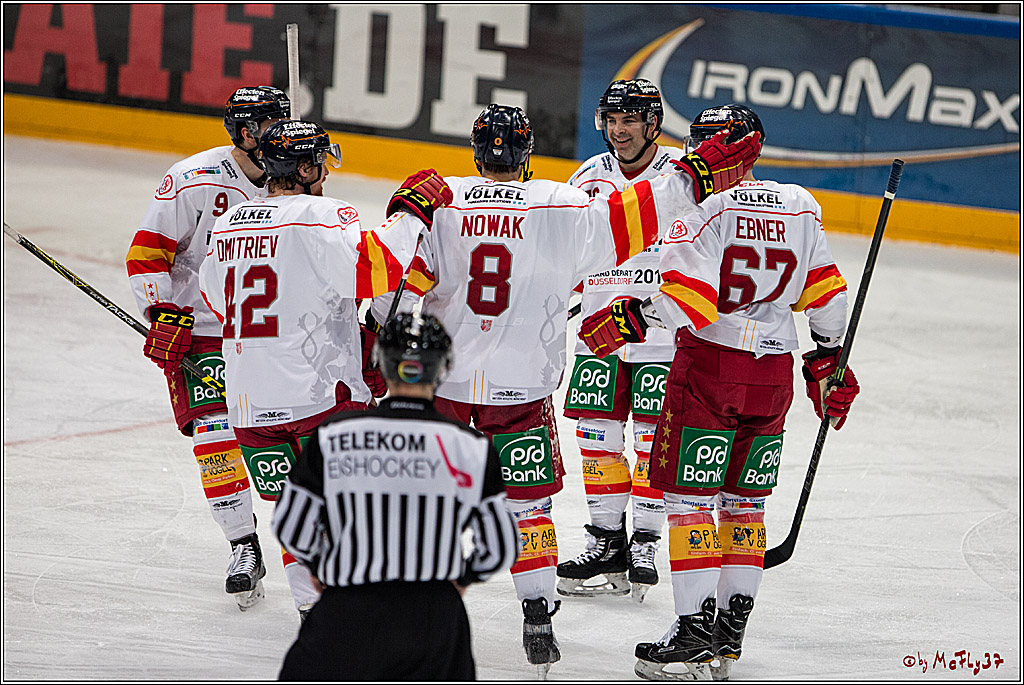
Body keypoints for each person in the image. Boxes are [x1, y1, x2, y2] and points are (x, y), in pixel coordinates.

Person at [370, 103, 761, 676]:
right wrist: (694, 174)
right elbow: (637, 218)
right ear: (527, 152)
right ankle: (537, 615)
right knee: (529, 511)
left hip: (445, 385)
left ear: (476, 151)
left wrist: (380, 346)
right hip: (522, 388)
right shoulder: (563, 203)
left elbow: (395, 286)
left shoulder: (441, 200)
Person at [576, 104, 860, 681]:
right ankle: (731, 630)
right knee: (746, 505)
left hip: (711, 366)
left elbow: (691, 299)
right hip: (773, 373)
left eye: (704, 143)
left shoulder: (703, 205)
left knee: (692, 503)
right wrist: (829, 360)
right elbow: (827, 294)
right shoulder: (802, 205)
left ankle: (692, 632)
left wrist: (634, 315)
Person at [196, 119, 447, 617]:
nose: (326, 174)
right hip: (318, 396)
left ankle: (314, 614)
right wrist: (410, 213)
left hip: (249, 404)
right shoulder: (323, 213)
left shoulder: (230, 221)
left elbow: (211, 295)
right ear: (304, 167)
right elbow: (380, 270)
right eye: (319, 164)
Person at [271, 313, 519, 680]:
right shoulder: (471, 447)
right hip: (434, 620)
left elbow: (291, 525)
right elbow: (499, 547)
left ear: (381, 364)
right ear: (442, 369)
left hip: (348, 609)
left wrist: (323, 568)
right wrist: (458, 581)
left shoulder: (333, 435)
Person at [126, 85, 290, 610]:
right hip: (204, 333)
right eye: (271, 124)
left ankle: (310, 544)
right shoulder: (194, 179)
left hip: (274, 335)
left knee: (283, 441)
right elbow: (147, 252)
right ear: (244, 132)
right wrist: (163, 311)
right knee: (215, 438)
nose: (282, 132)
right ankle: (243, 544)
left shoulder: (297, 179)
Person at [558, 79, 687, 604]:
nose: (619, 130)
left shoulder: (682, 176)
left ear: (653, 123)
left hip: (659, 331)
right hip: (598, 331)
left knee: (651, 438)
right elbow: (566, 245)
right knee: (597, 434)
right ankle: (606, 536)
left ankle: (647, 540)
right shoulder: (588, 177)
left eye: (629, 120)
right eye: (612, 120)